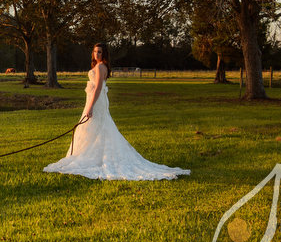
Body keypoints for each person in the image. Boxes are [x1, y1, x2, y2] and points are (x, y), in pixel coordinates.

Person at [43, 43, 190, 180]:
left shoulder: (101, 67)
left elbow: (98, 88)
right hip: (93, 99)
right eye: (95, 51)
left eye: (99, 52)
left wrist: (90, 106)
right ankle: (91, 155)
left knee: (98, 126)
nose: (96, 54)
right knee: (94, 127)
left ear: (104, 54)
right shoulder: (98, 66)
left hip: (96, 100)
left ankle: (98, 158)